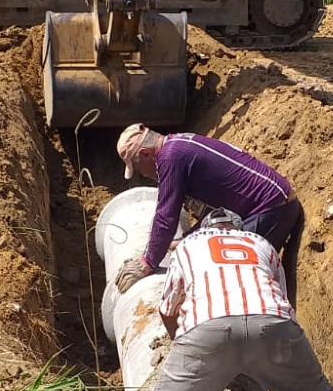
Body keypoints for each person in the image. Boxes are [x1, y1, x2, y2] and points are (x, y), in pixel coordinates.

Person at [130, 208, 333, 391]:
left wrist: (184, 349)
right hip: (274, 325)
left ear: (206, 228)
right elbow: (281, 300)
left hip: (208, 328)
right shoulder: (261, 243)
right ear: (238, 228)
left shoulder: (188, 245)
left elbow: (167, 308)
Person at [114, 123, 305, 304]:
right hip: (271, 203)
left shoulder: (170, 158)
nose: (145, 175)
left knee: (228, 272)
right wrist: (188, 238)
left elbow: (166, 217)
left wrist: (147, 261)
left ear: (146, 153)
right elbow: (215, 214)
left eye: (139, 169)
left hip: (271, 209)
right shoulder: (178, 144)